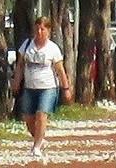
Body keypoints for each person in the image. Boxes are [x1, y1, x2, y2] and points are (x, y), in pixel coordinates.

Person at [12, 16, 72, 158]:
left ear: (48, 31)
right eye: (37, 29)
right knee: (28, 119)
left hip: (48, 88)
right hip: (29, 87)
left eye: (42, 29)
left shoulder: (53, 49)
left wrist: (66, 88)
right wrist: (16, 80)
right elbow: (20, 65)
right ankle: (39, 137)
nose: (39, 32)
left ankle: (36, 147)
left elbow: (60, 70)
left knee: (41, 115)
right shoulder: (27, 45)